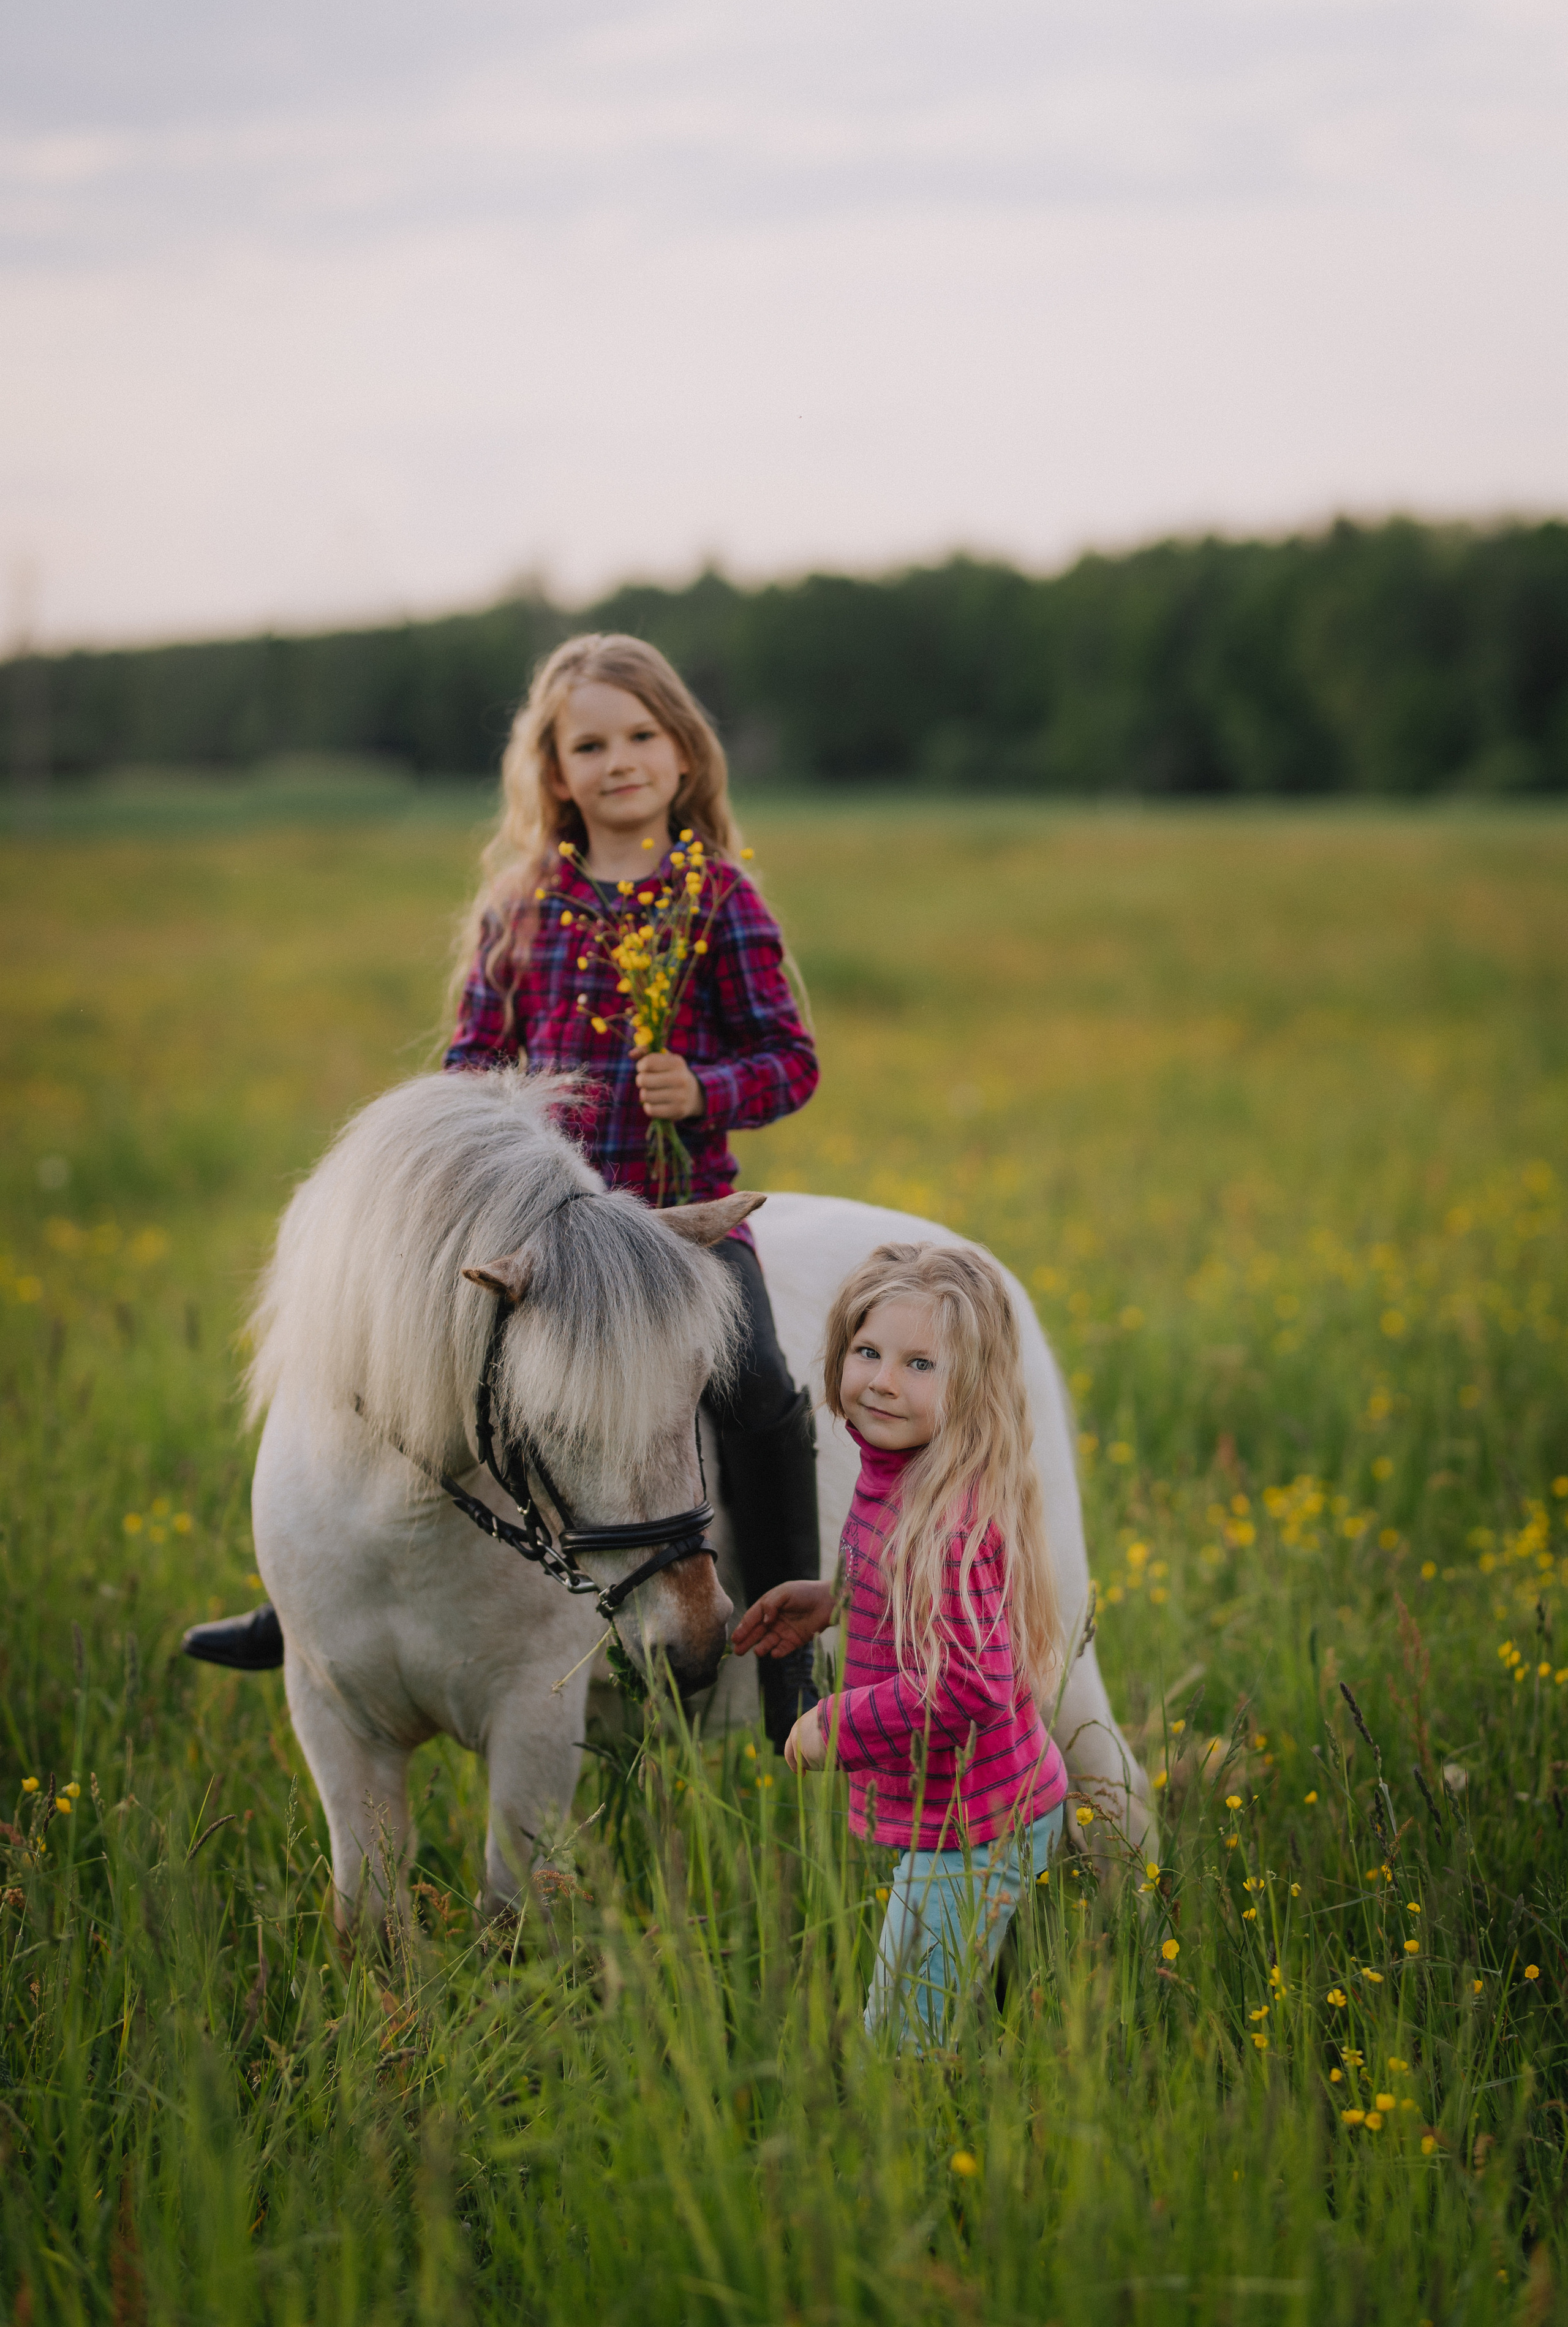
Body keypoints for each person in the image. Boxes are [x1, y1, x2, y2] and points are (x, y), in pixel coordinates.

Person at [184, 633, 823, 1749]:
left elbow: (792, 1060)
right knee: (376, 1369)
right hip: (535, 1234)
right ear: (555, 771)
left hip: (672, 1230)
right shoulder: (522, 904)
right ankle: (305, 1600)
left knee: (762, 1394)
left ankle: (786, 1664)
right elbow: (473, 1063)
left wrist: (707, 1087)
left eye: (641, 735)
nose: (620, 759)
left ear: (683, 752)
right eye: (591, 743)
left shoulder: (720, 898)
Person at [731, 1241, 1068, 2046]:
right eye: (868, 1351)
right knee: (958, 2011)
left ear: (973, 1388)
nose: (881, 1379)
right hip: (978, 1808)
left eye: (920, 1364)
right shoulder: (900, 1472)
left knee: (902, 2044)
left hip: (978, 1827)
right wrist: (833, 1602)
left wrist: (834, 1725)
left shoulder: (946, 1523)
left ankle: (921, 2153)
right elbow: (907, 1591)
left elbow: (969, 1686)